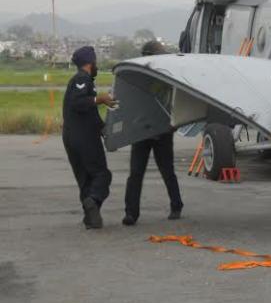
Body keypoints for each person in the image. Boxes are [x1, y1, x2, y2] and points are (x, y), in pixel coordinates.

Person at [123, 41, 184, 226]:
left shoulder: (167, 76)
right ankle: (131, 213)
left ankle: (176, 205)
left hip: (162, 130)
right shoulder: (137, 76)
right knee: (136, 173)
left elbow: (175, 101)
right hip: (141, 130)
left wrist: (174, 123)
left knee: (167, 171)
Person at [62, 46, 116, 229]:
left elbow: (89, 113)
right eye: (95, 62)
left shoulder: (82, 80)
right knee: (102, 175)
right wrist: (99, 99)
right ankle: (93, 201)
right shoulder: (81, 78)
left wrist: (103, 128)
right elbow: (78, 103)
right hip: (84, 138)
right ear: (89, 63)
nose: (96, 66)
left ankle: (91, 219)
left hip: (71, 137)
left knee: (85, 179)